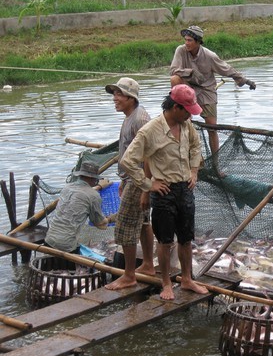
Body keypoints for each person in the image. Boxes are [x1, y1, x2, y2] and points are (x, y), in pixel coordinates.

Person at [120, 84, 209, 300]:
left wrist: (194, 171)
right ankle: (166, 283)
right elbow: (128, 161)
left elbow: (196, 147)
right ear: (176, 107)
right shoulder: (150, 130)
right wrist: (148, 185)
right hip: (164, 191)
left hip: (185, 188)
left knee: (186, 238)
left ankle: (187, 279)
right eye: (187, 110)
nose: (190, 115)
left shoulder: (187, 125)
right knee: (165, 240)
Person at [169, 25, 256, 164]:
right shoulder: (181, 50)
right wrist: (189, 72)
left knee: (212, 127)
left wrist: (245, 81)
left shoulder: (209, 56)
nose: (186, 43)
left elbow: (227, 69)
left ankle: (215, 163)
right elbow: (173, 70)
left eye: (190, 40)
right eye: (185, 40)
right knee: (175, 80)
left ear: (198, 42)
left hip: (206, 90)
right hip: (188, 89)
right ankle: (181, 109)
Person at [104, 77, 155, 290]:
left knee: (124, 226)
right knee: (143, 223)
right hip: (132, 179)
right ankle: (148, 265)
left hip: (139, 179)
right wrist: (123, 181)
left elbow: (149, 156)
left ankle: (129, 275)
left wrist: (145, 187)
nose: (114, 98)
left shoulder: (140, 119)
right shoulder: (129, 117)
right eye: (114, 94)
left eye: (118, 94)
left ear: (130, 98)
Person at [45, 162, 108, 253]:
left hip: (49, 240)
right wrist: (110, 219)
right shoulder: (93, 195)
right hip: (67, 246)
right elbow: (99, 224)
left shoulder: (67, 188)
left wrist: (98, 187)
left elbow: (82, 193)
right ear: (93, 178)